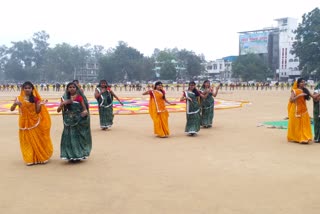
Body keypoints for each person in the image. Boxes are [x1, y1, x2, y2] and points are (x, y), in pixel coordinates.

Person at [10, 81, 53, 165]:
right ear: (23, 89)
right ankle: (30, 159)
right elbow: (12, 109)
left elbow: (37, 111)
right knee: (27, 141)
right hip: (24, 123)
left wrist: (40, 105)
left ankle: (40, 157)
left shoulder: (35, 99)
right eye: (25, 88)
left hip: (34, 122)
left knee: (37, 139)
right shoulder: (19, 98)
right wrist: (15, 104)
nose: (27, 89)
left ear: (32, 89)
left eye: (29, 88)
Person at [57, 82, 92, 161]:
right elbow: (58, 110)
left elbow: (85, 109)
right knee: (69, 138)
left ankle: (78, 154)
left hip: (78, 121)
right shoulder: (64, 98)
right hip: (68, 122)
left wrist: (84, 113)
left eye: (73, 87)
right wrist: (63, 104)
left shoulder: (79, 98)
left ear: (76, 88)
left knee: (77, 137)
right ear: (67, 89)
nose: (72, 88)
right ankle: (69, 155)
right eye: (70, 87)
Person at [287, 78, 319, 144]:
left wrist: (319, 94)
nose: (303, 83)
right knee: (297, 125)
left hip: (304, 110)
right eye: (301, 82)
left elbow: (314, 97)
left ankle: (305, 137)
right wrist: (299, 95)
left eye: (304, 82)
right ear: (298, 83)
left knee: (304, 125)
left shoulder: (305, 90)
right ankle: (298, 138)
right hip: (296, 110)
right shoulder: (294, 91)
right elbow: (291, 100)